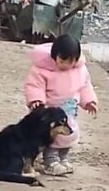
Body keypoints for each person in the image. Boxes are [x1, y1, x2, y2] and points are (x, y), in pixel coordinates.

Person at [24, 34, 98, 176]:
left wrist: (89, 101)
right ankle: (50, 161)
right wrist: (36, 100)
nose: (66, 65)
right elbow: (34, 85)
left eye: (71, 61)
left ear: (76, 59)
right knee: (51, 136)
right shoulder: (42, 69)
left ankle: (63, 158)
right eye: (63, 60)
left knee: (69, 133)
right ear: (54, 55)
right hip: (50, 113)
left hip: (69, 110)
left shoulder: (80, 70)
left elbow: (84, 86)